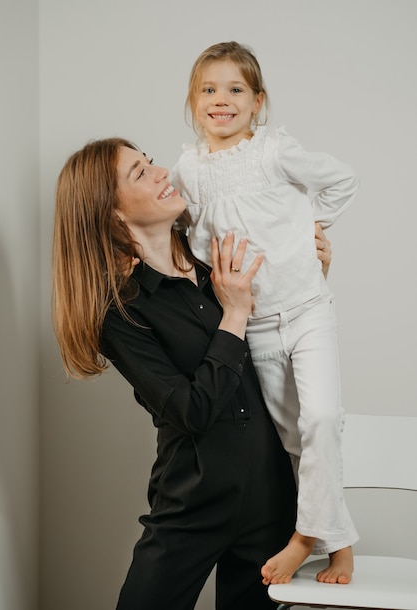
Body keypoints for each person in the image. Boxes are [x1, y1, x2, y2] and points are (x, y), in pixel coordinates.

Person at [52, 137, 301, 610]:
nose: (162, 171)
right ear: (112, 213)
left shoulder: (218, 257)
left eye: (150, 162)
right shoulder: (120, 313)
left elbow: (282, 350)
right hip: (192, 503)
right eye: (140, 174)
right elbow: (192, 410)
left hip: (271, 496)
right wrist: (234, 314)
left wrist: (313, 272)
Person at [171, 40, 359, 585]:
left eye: (235, 89)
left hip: (305, 310)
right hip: (255, 328)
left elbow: (343, 179)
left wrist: (310, 231)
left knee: (323, 418)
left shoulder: (274, 151)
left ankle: (306, 538)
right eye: (208, 89)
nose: (220, 99)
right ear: (193, 99)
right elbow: (186, 235)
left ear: (257, 101)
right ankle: (341, 544)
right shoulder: (188, 168)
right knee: (296, 441)